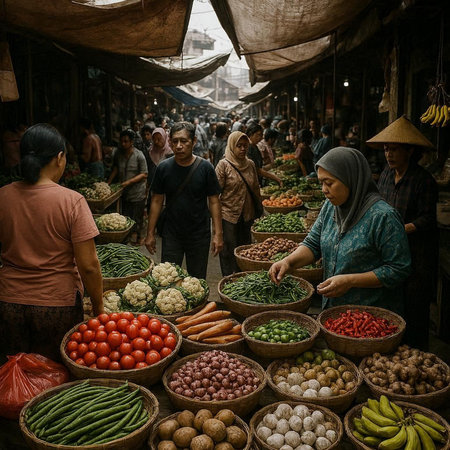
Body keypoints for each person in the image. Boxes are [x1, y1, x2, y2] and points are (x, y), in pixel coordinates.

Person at [0, 124, 103, 361]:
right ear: (59, 158)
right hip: (56, 306)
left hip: (7, 303)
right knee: (54, 382)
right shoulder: (72, 201)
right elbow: (89, 265)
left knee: (12, 377)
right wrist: (98, 309)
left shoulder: (3, 196)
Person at [269, 147, 411, 314]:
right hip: (333, 312)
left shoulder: (383, 217)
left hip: (368, 317)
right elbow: (313, 243)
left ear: (350, 179)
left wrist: (350, 281)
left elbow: (399, 269)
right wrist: (288, 262)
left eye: (329, 183)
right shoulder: (331, 207)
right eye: (321, 183)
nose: (323, 190)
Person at [367, 116, 438, 349]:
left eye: (394, 149)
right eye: (386, 149)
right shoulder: (386, 174)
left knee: (415, 306)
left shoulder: (423, 180)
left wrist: (400, 229)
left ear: (409, 151)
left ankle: (418, 352)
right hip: (391, 252)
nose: (389, 154)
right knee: (393, 303)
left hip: (417, 253)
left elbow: (428, 218)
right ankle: (394, 347)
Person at [145, 122, 223, 279]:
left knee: (197, 281)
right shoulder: (163, 168)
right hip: (171, 233)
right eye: (174, 141)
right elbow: (157, 201)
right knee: (167, 279)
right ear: (170, 142)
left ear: (194, 141)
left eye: (184, 141)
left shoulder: (206, 168)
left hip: (199, 234)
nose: (179, 146)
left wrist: (218, 233)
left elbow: (214, 201)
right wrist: (150, 233)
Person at [216, 131, 262, 276]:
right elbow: (215, 195)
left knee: (245, 249)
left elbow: (255, 188)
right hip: (228, 215)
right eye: (239, 146)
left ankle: (242, 277)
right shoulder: (223, 165)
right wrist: (216, 224)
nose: (243, 149)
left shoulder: (250, 164)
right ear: (231, 146)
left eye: (245, 146)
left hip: (247, 214)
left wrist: (258, 210)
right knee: (228, 250)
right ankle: (229, 279)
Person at [108, 129, 148, 245]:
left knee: (138, 217)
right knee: (126, 216)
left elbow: (144, 174)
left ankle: (140, 237)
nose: (123, 144)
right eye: (122, 141)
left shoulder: (139, 155)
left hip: (137, 192)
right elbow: (115, 169)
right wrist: (109, 183)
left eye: (126, 141)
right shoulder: (118, 154)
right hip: (124, 192)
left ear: (131, 142)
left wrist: (128, 182)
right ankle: (127, 237)